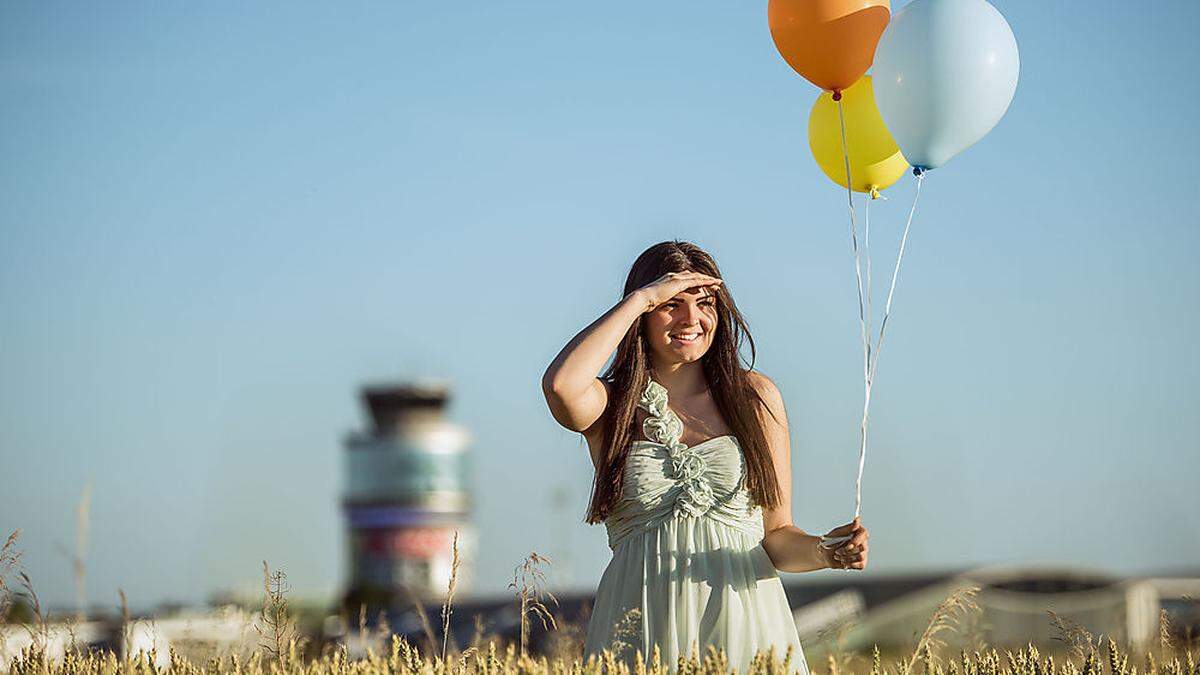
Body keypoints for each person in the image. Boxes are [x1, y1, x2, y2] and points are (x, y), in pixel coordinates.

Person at [541, 240, 870, 674]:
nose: (690, 319)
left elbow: (777, 537)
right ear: (643, 315)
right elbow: (561, 385)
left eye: (705, 302)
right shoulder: (611, 404)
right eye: (671, 305)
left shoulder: (755, 398)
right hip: (640, 624)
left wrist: (827, 552)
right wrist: (640, 298)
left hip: (744, 623)